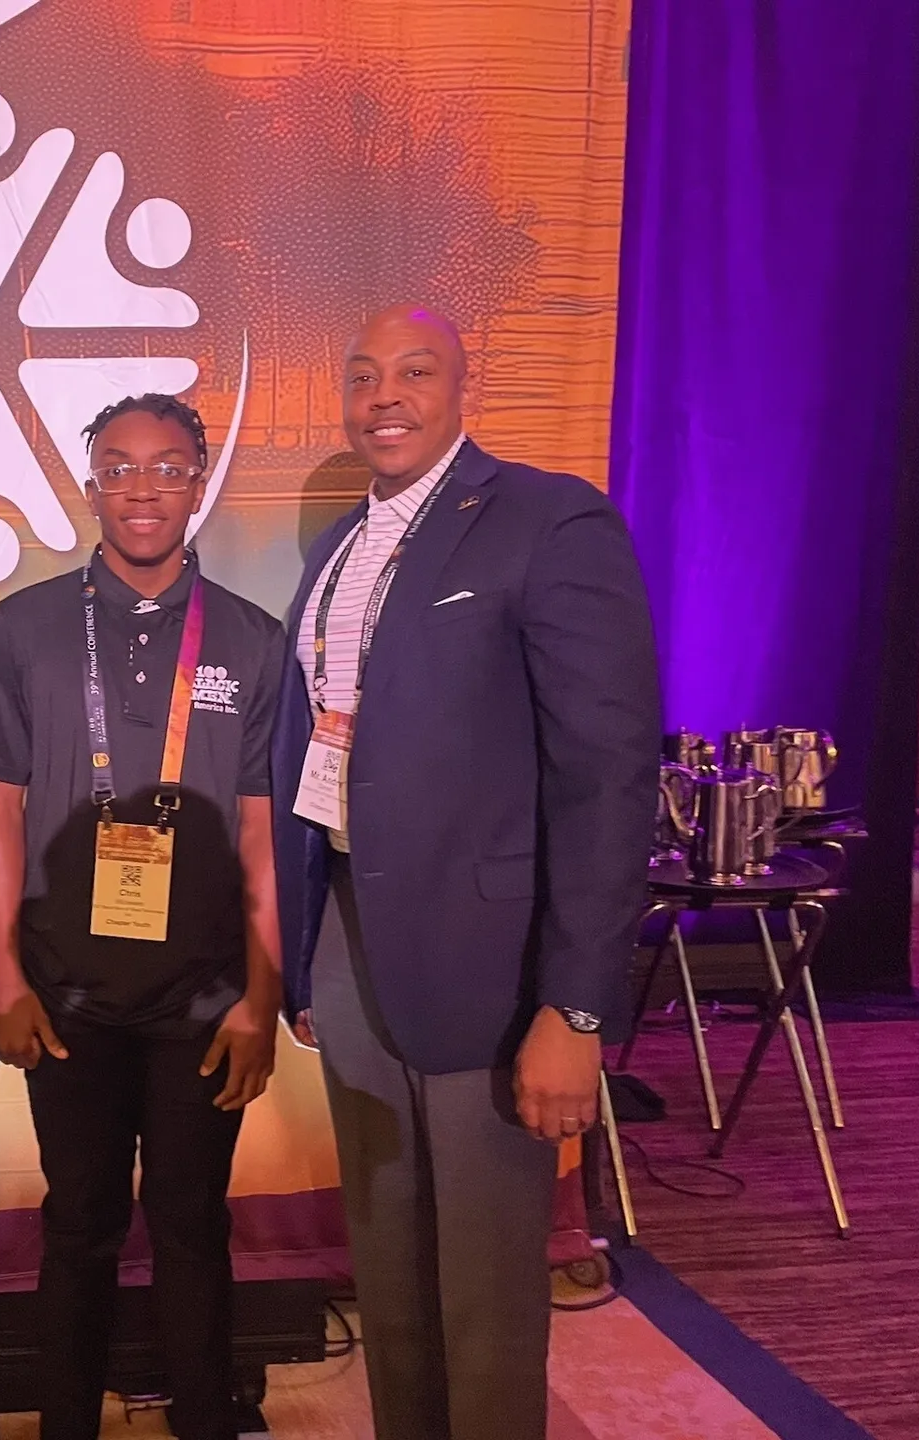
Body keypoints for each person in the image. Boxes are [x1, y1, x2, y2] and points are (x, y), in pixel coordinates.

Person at [270, 306, 660, 1440]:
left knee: (485, 1293)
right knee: (389, 1265)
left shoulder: (547, 519)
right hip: (353, 943)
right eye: (363, 373)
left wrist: (576, 1005)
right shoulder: (342, 546)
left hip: (492, 969)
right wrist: (308, 952)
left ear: (462, 388)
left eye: (415, 370)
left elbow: (607, 773)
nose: (384, 393)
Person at [0, 395, 284, 1440]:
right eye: (119, 467)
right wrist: (2, 974)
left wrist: (261, 1000)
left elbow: (266, 835)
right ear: (89, 484)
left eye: (170, 467)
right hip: (66, 995)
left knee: (193, 1226)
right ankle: (66, 1422)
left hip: (205, 996)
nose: (143, 488)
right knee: (79, 1222)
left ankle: (204, 1420)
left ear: (199, 484)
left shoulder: (253, 640)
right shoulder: (26, 627)